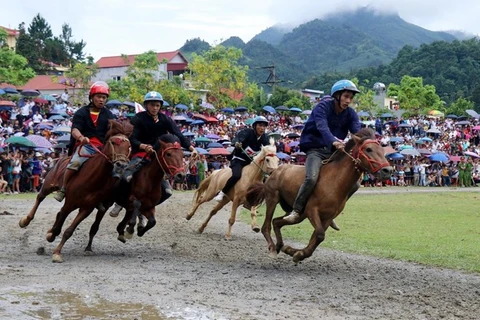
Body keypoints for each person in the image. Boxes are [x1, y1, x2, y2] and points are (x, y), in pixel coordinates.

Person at [283, 79, 361, 229]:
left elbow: (357, 132)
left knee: (355, 184)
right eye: (345, 96)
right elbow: (322, 127)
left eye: (351, 98)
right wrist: (334, 141)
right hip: (315, 149)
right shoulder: (322, 107)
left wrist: (368, 141)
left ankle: (331, 214)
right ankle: (296, 210)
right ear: (337, 95)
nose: (348, 100)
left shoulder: (351, 113)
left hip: (334, 151)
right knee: (311, 178)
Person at [121, 91, 198, 204]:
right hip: (141, 152)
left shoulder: (165, 119)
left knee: (167, 192)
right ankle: (121, 201)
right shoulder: (138, 118)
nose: (155, 108)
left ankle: (148, 205)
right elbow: (132, 138)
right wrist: (143, 146)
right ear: (146, 105)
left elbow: (179, 135)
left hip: (158, 154)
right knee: (126, 176)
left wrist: (192, 148)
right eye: (152, 105)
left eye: (157, 105)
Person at [54, 81, 115, 202]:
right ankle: (64, 189)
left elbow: (113, 131)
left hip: (103, 148)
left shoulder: (109, 114)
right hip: (87, 146)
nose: (101, 100)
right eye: (98, 97)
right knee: (75, 163)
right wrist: (81, 137)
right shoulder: (81, 112)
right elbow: (75, 129)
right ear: (92, 97)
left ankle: (105, 196)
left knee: (115, 169)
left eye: (104, 97)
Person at [213, 115, 270, 202]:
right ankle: (222, 193)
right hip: (239, 160)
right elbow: (238, 139)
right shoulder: (246, 132)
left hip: (251, 163)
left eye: (264, 126)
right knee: (236, 175)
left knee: (264, 176)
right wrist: (237, 143)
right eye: (260, 125)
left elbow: (267, 148)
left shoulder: (265, 138)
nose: (262, 128)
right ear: (255, 126)